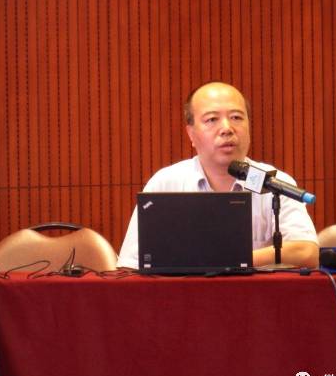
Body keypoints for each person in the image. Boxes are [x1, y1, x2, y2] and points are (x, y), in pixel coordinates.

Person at [117, 82, 318, 269]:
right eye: (212, 119)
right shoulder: (166, 184)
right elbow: (129, 265)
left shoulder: (273, 182)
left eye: (236, 117)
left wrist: (228, 259)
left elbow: (307, 252)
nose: (227, 129)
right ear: (191, 134)